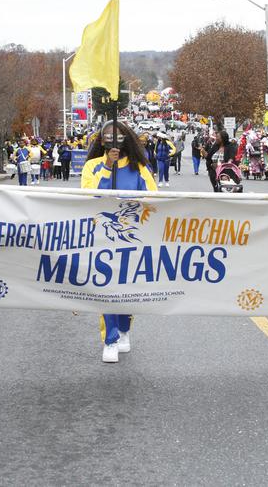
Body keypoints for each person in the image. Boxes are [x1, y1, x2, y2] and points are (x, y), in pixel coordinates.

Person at [81, 121, 157, 363]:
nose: (113, 141)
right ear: (102, 141)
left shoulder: (139, 168)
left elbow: (154, 197)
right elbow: (88, 196)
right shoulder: (92, 166)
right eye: (108, 137)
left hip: (132, 240)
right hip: (102, 240)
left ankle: (124, 329)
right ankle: (110, 339)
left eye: (118, 136)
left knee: (127, 290)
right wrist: (107, 167)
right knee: (107, 290)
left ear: (127, 139)